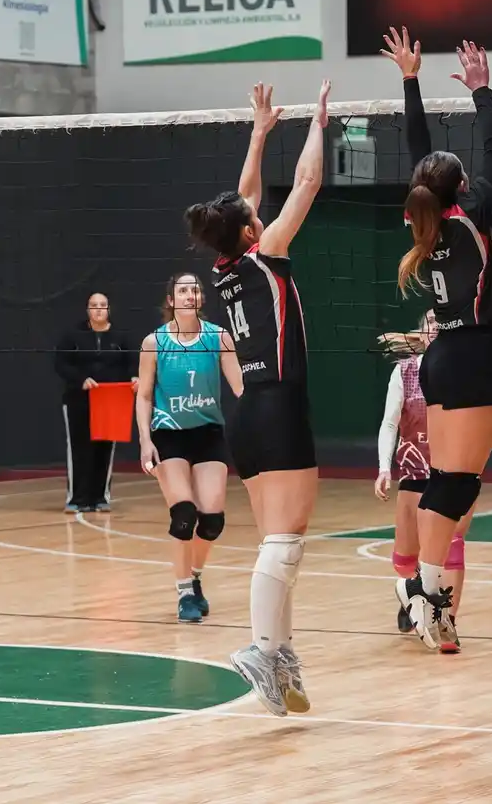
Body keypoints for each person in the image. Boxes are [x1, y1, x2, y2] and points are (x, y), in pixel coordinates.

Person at [185, 78, 330, 717]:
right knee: (288, 539)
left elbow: (244, 198)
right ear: (250, 231)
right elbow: (308, 184)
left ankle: (280, 654)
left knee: (279, 537)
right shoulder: (267, 255)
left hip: (249, 412)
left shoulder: (226, 268)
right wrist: (319, 123)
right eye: (253, 217)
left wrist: (259, 132)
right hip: (278, 405)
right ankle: (261, 649)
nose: (260, 214)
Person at [382, 29, 492, 651]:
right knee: (461, 484)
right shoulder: (470, 214)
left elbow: (420, 151)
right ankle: (430, 598)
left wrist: (411, 80)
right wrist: (481, 91)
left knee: (445, 481)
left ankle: (427, 596)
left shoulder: (424, 219)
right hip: (470, 354)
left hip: (438, 357)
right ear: (460, 189)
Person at [374, 310, 492, 647]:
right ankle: (416, 590)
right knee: (404, 559)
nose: (434, 327)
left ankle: (447, 621)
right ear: (422, 333)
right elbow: (389, 423)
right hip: (415, 470)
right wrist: (384, 467)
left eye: (439, 322)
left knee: (453, 544)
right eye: (429, 323)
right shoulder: (406, 372)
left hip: (454, 470)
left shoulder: (469, 369)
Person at [135, 273, 244, 624]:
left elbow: (241, 388)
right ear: (171, 300)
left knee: (212, 520)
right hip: (169, 434)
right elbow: (145, 395)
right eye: (181, 290)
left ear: (202, 298)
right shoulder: (154, 342)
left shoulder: (218, 337)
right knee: (184, 514)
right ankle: (184, 593)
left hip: (208, 433)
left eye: (194, 290)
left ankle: (194, 576)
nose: (188, 295)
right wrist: (145, 440)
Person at [54, 293, 139, 513]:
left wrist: (134, 377)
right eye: (94, 305)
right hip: (79, 400)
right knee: (79, 447)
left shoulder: (121, 336)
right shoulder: (73, 335)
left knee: (105, 447)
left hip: (111, 400)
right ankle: (77, 498)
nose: (99, 309)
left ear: (109, 309)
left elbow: (133, 361)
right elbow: (61, 363)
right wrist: (81, 379)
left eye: (103, 305)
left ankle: (100, 497)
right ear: (87, 309)